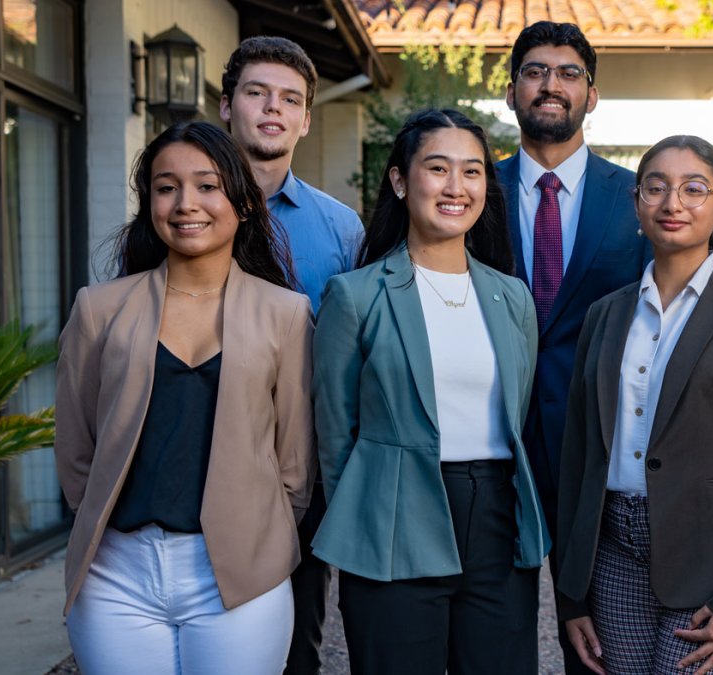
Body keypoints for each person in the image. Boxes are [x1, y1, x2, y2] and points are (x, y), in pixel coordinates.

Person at [54, 120, 315, 674]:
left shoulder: (286, 314)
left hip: (240, 572)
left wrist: (257, 534)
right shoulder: (99, 310)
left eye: (207, 185)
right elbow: (77, 451)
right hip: (116, 574)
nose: (184, 203)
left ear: (242, 203)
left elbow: (294, 466)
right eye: (166, 187)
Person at [554, 135, 713, 675]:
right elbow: (578, 457)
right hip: (613, 561)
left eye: (694, 189)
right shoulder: (605, 315)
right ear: (637, 204)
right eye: (656, 187)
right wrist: (570, 596)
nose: (673, 203)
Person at [311, 109, 549, 675]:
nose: (455, 187)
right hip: (391, 513)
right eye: (437, 168)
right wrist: (369, 513)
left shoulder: (512, 297)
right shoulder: (354, 296)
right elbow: (334, 434)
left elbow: (519, 413)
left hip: (496, 513)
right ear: (400, 180)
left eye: (472, 172)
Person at [495, 23, 651, 670]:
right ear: (511, 92)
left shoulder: (641, 198)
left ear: (592, 94)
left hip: (598, 442)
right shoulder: (471, 190)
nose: (550, 85)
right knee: (493, 640)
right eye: (535, 71)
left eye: (567, 73)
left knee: (596, 647)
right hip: (491, 439)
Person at [219, 36, 364, 673]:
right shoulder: (182, 208)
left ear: (306, 119)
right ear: (227, 106)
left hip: (296, 462)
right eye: (257, 93)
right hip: (198, 451)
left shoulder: (342, 229)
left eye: (290, 99)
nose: (272, 109)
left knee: (296, 635)